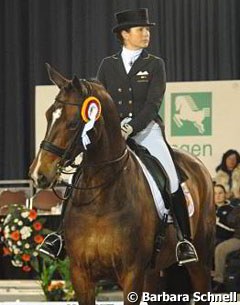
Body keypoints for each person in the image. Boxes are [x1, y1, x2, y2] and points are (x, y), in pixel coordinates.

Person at [39, 8, 198, 265]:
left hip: (146, 131)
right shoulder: (108, 65)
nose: (146, 33)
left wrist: (131, 127)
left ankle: (183, 240)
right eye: (140, 29)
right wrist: (109, 128)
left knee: (171, 177)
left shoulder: (155, 64)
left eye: (147, 30)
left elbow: (152, 103)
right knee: (81, 173)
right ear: (125, 34)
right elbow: (100, 102)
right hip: (112, 133)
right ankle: (59, 236)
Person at [212, 206, 240, 292]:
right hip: (238, 238)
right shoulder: (237, 209)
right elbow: (230, 221)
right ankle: (218, 280)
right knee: (221, 248)